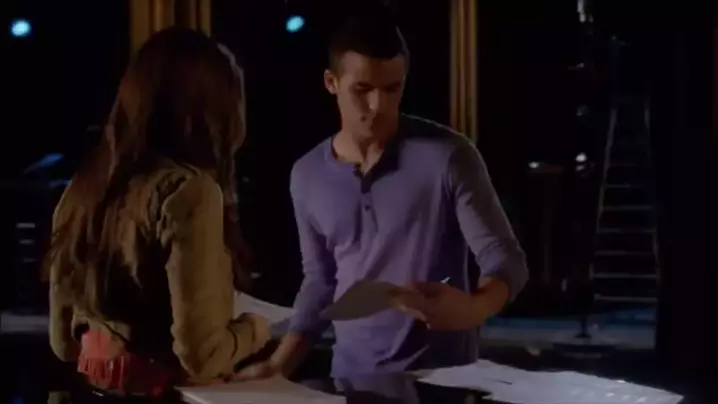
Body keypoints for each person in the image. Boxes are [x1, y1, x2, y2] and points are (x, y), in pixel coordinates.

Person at [237, 11, 529, 384]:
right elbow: (320, 281)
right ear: (331, 83)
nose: (379, 105)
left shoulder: (448, 157)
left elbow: (506, 259)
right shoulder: (307, 174)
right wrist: (279, 365)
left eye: (392, 89)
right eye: (363, 90)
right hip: (351, 380)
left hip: (440, 383)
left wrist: (474, 309)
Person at [46, 27, 270, 397]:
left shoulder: (85, 187)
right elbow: (201, 356)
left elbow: (62, 343)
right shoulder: (190, 193)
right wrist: (255, 330)